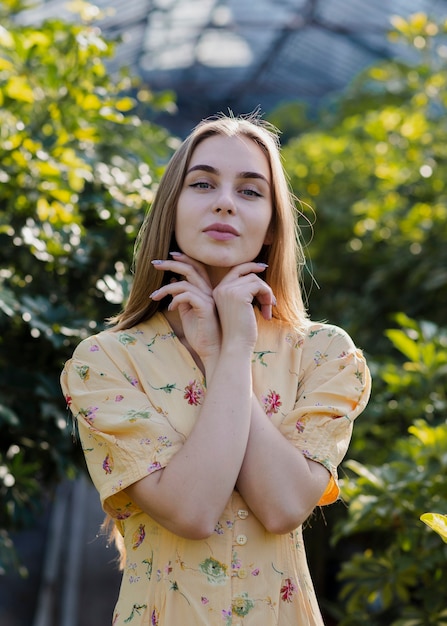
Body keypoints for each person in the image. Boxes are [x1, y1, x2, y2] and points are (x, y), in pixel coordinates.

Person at [61, 112, 371, 626]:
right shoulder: (106, 362)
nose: (225, 201)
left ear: (273, 226)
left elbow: (283, 506)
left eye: (251, 191)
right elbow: (192, 511)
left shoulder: (324, 354)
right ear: (173, 210)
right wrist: (217, 351)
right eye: (203, 184)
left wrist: (225, 349)